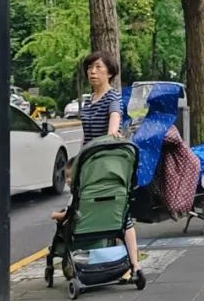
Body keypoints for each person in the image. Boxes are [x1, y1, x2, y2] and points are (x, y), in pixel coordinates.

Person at [52, 51, 142, 277]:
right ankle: (83, 260)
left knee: (121, 215)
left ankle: (135, 265)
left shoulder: (113, 98)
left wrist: (111, 134)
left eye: (98, 67)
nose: (92, 72)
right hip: (89, 162)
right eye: (90, 68)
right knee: (83, 207)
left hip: (105, 162)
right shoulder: (89, 101)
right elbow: (86, 135)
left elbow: (114, 119)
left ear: (110, 73)